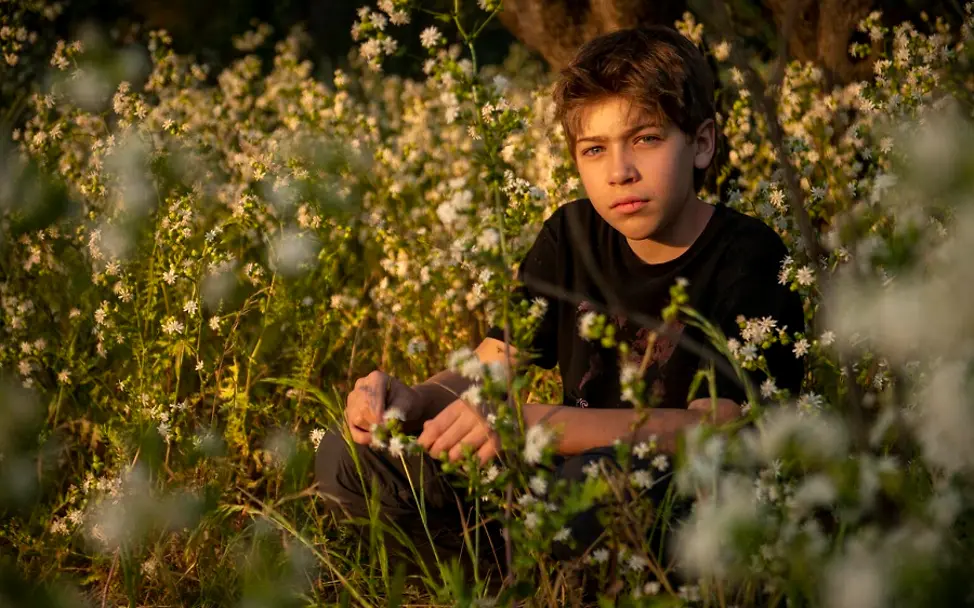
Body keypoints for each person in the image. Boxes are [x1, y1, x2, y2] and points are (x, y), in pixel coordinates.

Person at [315, 25, 805, 572]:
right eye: (595, 149)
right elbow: (490, 368)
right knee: (347, 458)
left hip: (671, 495)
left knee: (592, 490)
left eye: (646, 139)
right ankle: (501, 577)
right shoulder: (571, 234)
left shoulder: (749, 256)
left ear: (702, 143)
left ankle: (554, 567)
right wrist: (414, 400)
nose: (620, 172)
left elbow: (717, 431)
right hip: (557, 479)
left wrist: (533, 424)